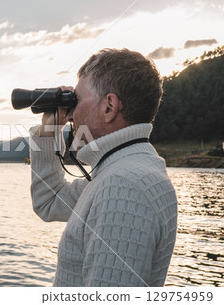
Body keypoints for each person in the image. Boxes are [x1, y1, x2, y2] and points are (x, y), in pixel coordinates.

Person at [29, 48, 178, 287]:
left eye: (76, 101)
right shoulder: (119, 171)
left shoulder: (124, 186)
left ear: (109, 106)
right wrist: (48, 133)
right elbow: (49, 201)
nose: (69, 116)